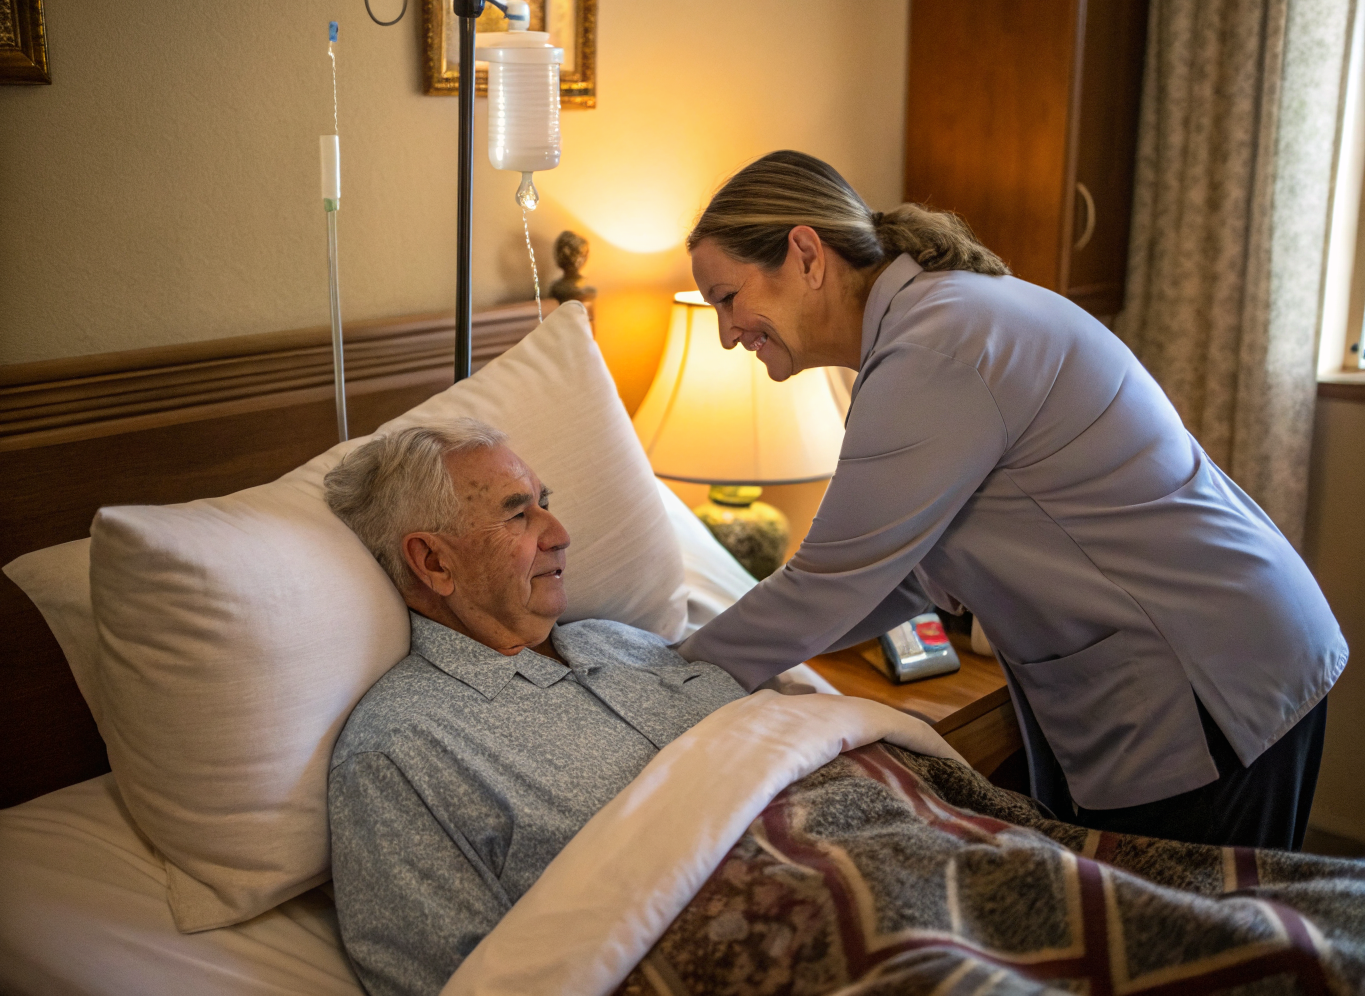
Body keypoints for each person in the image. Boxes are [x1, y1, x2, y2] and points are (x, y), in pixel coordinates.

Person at [677, 149, 1348, 851]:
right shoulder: (926, 326)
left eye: (727, 298)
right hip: (1219, 641)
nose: (726, 333)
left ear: (806, 254)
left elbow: (827, 583)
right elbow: (899, 575)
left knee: (1199, 945)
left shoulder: (935, 349)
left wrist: (667, 679)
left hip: (1210, 670)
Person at [321, 421, 746, 996]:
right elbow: (463, 982)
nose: (561, 533)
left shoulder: (618, 640)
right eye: (518, 513)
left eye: (544, 504)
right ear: (434, 562)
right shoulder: (400, 752)